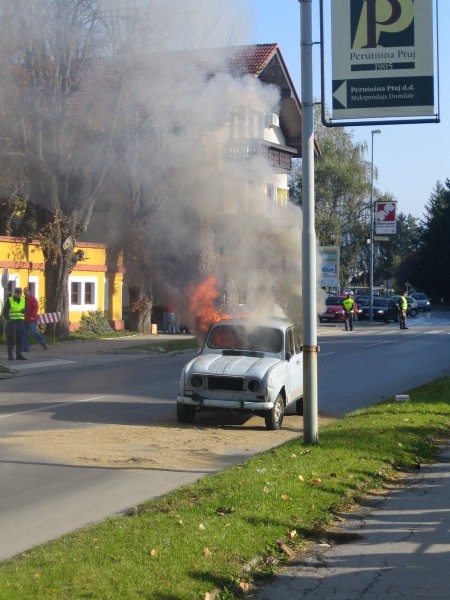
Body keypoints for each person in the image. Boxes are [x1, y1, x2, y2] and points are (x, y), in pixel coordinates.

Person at [2, 287, 27, 360]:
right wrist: (8, 320)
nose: (19, 294)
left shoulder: (23, 300)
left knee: (20, 339)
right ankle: (10, 355)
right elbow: (5, 311)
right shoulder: (10, 300)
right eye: (18, 293)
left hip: (21, 322)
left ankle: (18, 355)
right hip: (12, 322)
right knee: (11, 339)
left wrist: (25, 311)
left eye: (20, 293)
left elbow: (26, 309)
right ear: (15, 293)